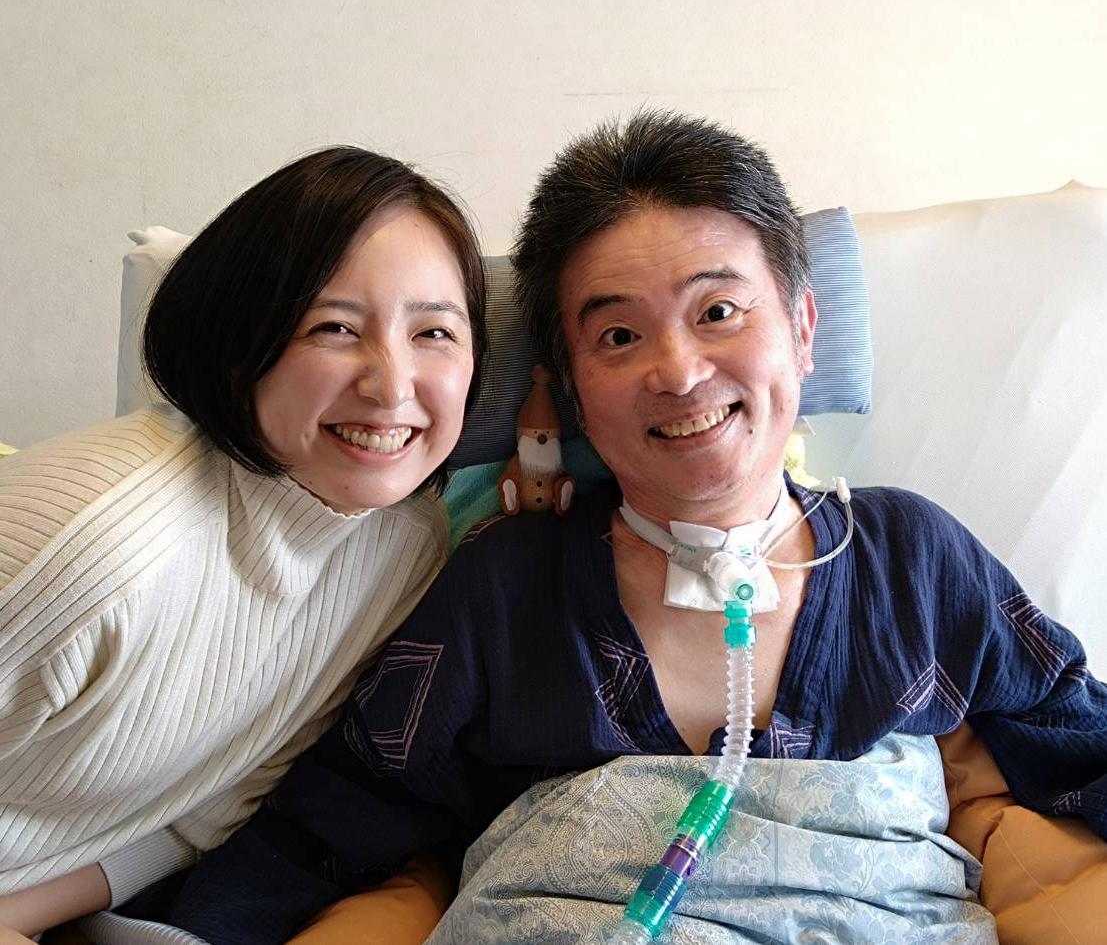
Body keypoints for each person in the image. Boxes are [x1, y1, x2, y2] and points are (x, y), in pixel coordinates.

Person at [155, 112, 1107, 943]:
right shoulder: (506, 588)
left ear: (803, 327)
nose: (679, 371)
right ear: (571, 387)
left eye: (718, 310)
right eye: (617, 335)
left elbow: (1079, 740)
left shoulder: (911, 560)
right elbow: (328, 823)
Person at [0, 146, 487, 941]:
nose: (392, 384)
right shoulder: (91, 548)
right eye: (334, 327)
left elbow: (191, 818)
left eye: (434, 332)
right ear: (237, 349)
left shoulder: (402, 548)